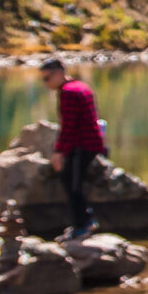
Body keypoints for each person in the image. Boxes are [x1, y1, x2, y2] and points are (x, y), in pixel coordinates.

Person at [38, 58, 106, 239]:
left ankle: (81, 226)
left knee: (72, 184)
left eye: (47, 78)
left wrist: (59, 152)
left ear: (59, 73)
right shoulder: (81, 87)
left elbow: (69, 126)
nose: (46, 83)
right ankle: (85, 220)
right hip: (91, 143)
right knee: (73, 182)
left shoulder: (68, 92)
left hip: (81, 145)